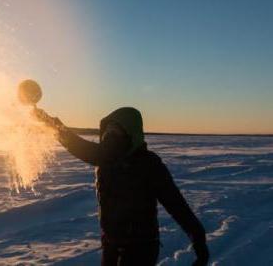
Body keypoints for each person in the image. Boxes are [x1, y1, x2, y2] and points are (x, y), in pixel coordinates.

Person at [35, 106, 209, 266]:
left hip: (141, 248)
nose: (109, 136)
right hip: (111, 244)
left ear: (131, 133)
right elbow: (77, 145)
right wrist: (48, 121)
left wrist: (198, 237)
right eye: (107, 131)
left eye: (116, 131)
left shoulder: (149, 164)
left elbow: (176, 204)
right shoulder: (105, 159)